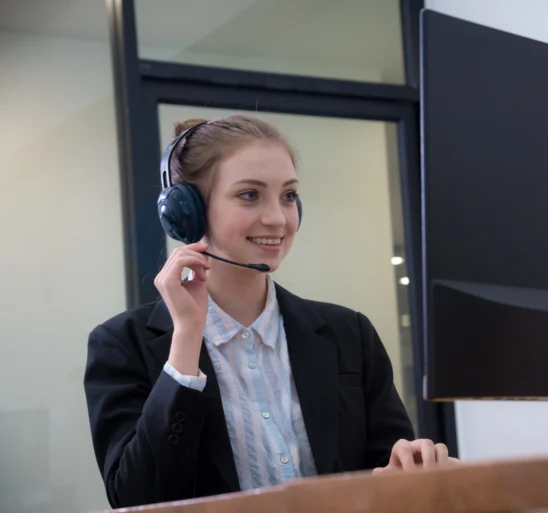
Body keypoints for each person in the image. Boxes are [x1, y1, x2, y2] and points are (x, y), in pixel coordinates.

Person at [83, 114, 456, 509]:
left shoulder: (350, 334)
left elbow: (382, 468)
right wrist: (186, 343)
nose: (278, 218)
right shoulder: (122, 345)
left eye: (289, 195)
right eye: (249, 195)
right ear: (186, 211)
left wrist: (408, 467)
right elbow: (136, 496)